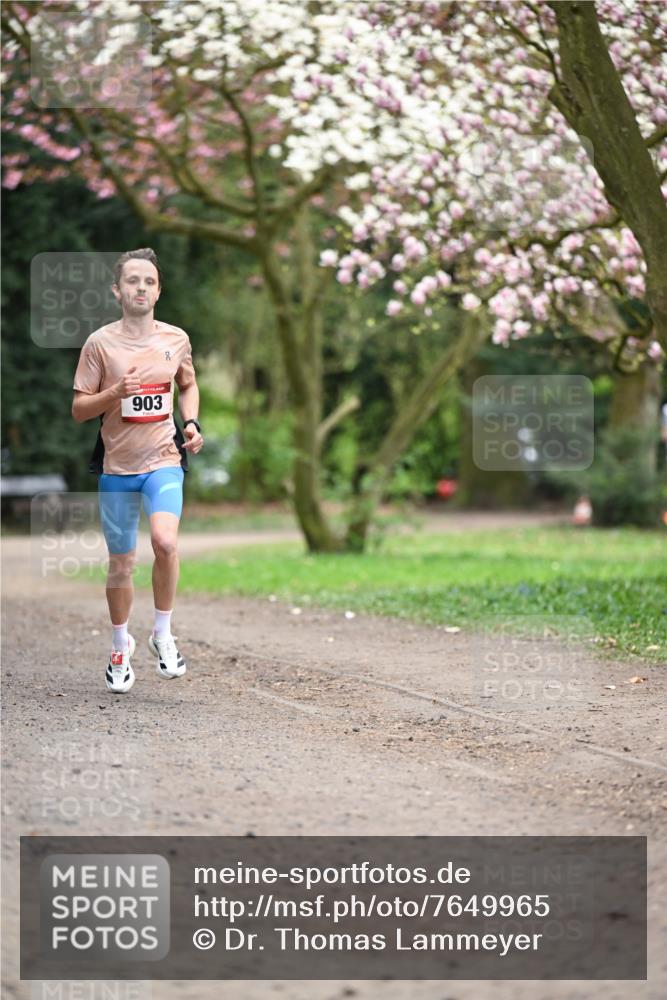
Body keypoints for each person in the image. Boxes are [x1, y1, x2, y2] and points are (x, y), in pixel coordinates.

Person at [72, 248, 204, 693]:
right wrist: (115, 392)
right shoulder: (99, 343)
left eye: (149, 281)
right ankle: (119, 645)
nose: (141, 288)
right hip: (117, 468)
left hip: (164, 460)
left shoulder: (176, 339)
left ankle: (162, 634)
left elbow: (188, 384)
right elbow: (79, 409)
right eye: (133, 281)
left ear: (158, 290)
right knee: (121, 563)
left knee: (165, 542)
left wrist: (192, 423)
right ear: (117, 290)